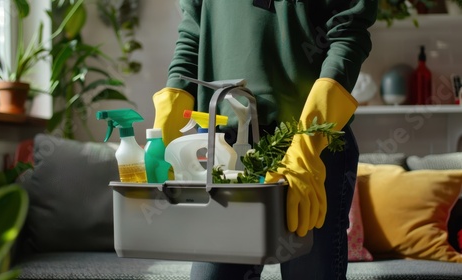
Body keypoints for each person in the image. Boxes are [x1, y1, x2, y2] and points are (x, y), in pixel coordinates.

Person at [152, 0, 377, 279]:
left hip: (310, 146)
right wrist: (165, 127)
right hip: (226, 154)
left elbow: (347, 34)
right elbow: (193, 34)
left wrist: (308, 145)